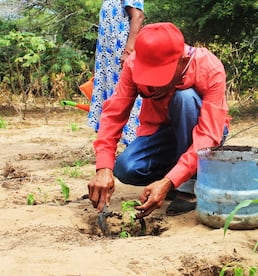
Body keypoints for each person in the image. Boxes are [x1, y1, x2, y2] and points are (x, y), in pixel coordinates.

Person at [88, 22, 230, 218]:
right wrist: (103, 168)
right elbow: (114, 114)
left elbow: (208, 134)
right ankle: (178, 174)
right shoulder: (133, 64)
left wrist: (170, 181)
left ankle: (189, 185)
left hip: (203, 133)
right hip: (161, 133)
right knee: (125, 168)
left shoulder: (209, 67)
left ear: (182, 60)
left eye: (160, 76)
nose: (152, 84)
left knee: (185, 98)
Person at [88, 0, 144, 145]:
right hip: (108, 59)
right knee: (113, 99)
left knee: (127, 96)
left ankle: (134, 145)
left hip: (121, 55)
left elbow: (137, 16)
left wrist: (128, 51)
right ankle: (109, 144)